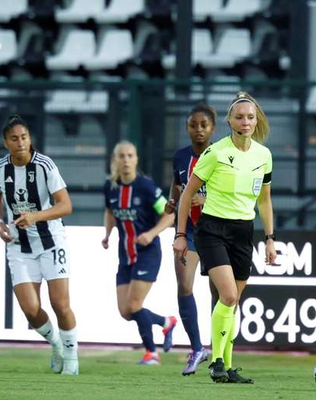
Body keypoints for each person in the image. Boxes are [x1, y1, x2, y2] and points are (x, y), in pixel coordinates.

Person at [173, 91, 277, 384]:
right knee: (228, 296)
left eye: (250, 117)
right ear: (230, 121)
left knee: (233, 302)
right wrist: (180, 234)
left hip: (244, 231)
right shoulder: (216, 153)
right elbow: (187, 194)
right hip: (212, 230)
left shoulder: (264, 155)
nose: (245, 122)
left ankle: (228, 367)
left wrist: (270, 238)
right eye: (239, 117)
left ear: (257, 121)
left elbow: (264, 200)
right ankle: (216, 361)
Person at [0, 115, 79, 374]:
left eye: (24, 137)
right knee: (30, 309)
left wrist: (35, 216)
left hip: (51, 241)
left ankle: (71, 358)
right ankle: (57, 344)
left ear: (30, 139)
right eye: (14, 139)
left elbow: (66, 205)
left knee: (60, 304)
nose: (20, 143)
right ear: (6, 143)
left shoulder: (45, 166)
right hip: (19, 246)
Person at [102, 140, 177, 365]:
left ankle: (151, 353)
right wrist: (107, 234)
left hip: (147, 253)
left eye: (130, 156)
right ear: (114, 160)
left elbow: (169, 215)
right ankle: (166, 322)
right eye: (121, 156)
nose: (126, 160)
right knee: (125, 311)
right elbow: (109, 211)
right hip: (125, 255)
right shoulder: (110, 187)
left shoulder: (146, 186)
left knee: (134, 305)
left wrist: (151, 234)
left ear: (136, 159)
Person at [166, 104, 220, 376]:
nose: (198, 130)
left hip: (215, 231)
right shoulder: (180, 157)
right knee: (184, 287)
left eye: (203, 125)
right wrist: (172, 201)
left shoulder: (221, 155)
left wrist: (206, 199)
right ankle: (197, 348)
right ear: (187, 128)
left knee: (218, 293)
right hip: (187, 231)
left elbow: (231, 192)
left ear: (213, 128)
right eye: (193, 125)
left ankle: (218, 351)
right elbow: (177, 184)